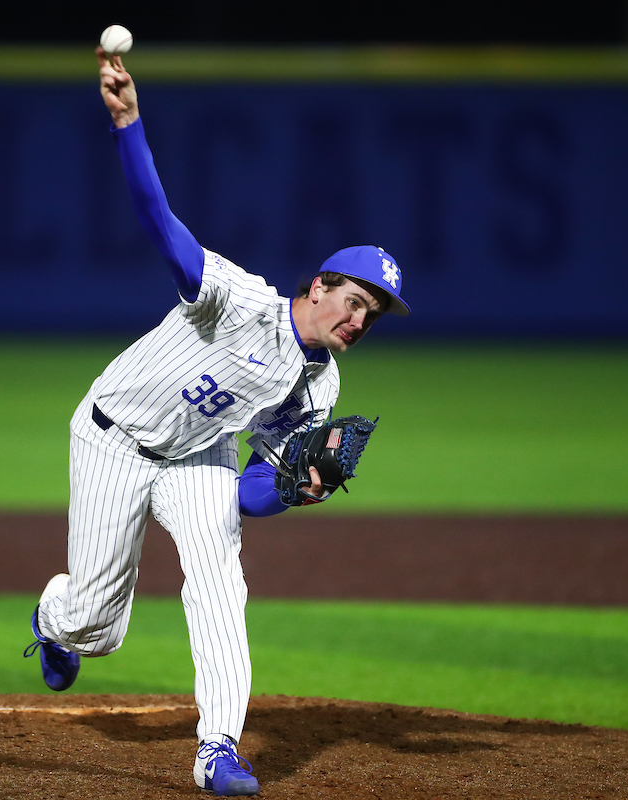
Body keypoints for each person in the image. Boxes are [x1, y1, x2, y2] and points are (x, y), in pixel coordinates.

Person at [23, 46, 410, 797]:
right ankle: (54, 617)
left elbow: (248, 494)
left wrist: (296, 490)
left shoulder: (318, 383)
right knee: (97, 626)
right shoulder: (233, 298)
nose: (361, 321)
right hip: (114, 436)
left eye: (374, 315)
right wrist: (128, 124)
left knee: (219, 581)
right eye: (355, 303)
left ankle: (218, 749)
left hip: (198, 457)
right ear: (319, 286)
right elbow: (156, 220)